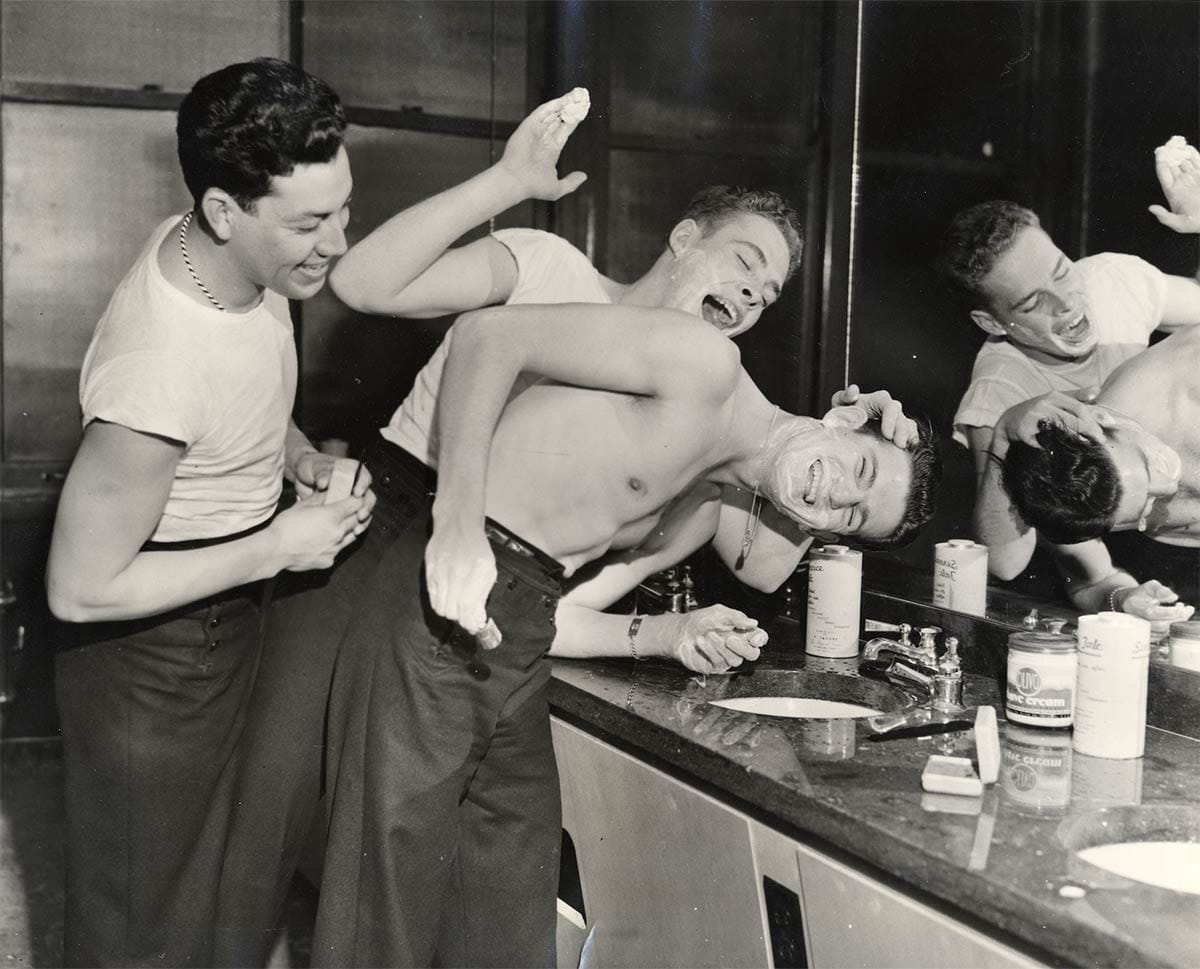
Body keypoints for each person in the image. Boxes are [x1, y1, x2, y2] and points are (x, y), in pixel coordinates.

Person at [215, 87, 919, 966]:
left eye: (768, 292)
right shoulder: (555, 271)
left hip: (507, 585)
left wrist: (836, 444)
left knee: (455, 863)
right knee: (277, 800)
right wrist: (508, 181)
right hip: (397, 517)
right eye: (744, 260)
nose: (750, 292)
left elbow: (765, 560)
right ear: (683, 237)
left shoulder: (703, 407)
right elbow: (362, 284)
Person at [312, 292, 941, 966]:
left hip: (518, 637)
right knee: (381, 918)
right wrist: (457, 522)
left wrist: (669, 632)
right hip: (446, 597)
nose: (839, 492)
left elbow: (764, 554)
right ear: (841, 423)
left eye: (852, 516)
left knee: (509, 917)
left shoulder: (706, 496)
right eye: (862, 468)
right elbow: (485, 335)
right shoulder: (706, 366)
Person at [44, 58, 373, 968]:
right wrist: (278, 544)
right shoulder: (155, 367)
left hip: (236, 614)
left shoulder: (234, 259)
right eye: (309, 223)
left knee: (226, 900)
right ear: (224, 210)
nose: (338, 242)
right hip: (147, 654)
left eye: (343, 209)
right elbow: (78, 588)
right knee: (143, 927)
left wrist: (300, 458)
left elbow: (240, 400)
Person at [939, 196, 1200, 619]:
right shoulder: (1000, 391)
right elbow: (1007, 561)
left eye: (1062, 271)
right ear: (993, 323)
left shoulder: (1112, 281)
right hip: (1147, 536)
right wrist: (1004, 432)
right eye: (1032, 303)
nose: (1065, 302)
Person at [1001, 323, 1200, 619]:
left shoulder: (1185, 375)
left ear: (1102, 420)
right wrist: (1124, 599)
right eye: (1146, 507)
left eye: (1149, 464)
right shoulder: (1073, 497)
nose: (1167, 486)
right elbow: (1092, 581)